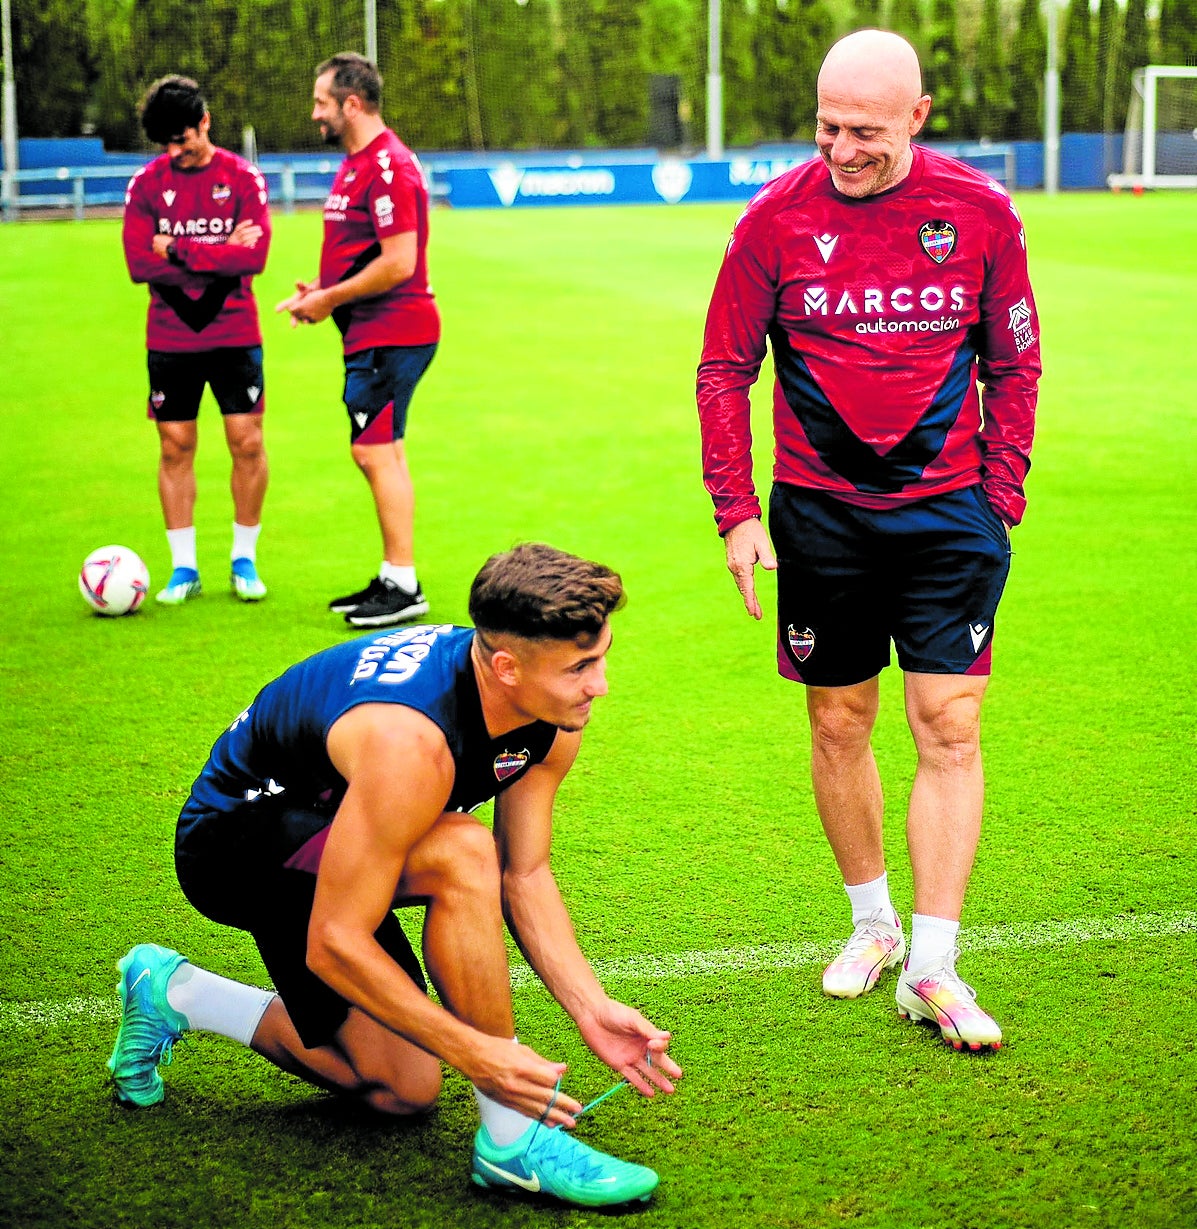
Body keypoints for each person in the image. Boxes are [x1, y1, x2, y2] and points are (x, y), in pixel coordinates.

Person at [106, 543, 681, 1208]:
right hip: (235, 845)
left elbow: (525, 872)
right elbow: (334, 940)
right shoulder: (410, 742)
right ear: (505, 666)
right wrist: (477, 1051)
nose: (600, 683)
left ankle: (176, 992)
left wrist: (591, 1006)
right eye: (580, 666)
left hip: (348, 834)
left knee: (403, 1088)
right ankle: (513, 1140)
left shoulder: (550, 715)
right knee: (463, 851)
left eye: (601, 655)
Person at [696, 29, 1040, 1052]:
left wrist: (1001, 495)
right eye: (829, 128)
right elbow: (725, 367)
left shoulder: (979, 213)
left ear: (919, 118)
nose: (844, 151)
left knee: (951, 725)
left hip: (948, 519)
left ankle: (932, 962)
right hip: (820, 515)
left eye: (868, 133)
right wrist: (738, 512)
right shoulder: (773, 221)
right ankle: (872, 923)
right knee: (841, 723)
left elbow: (1014, 360)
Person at [277, 53, 440, 630]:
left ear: (352, 103)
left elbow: (399, 262)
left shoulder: (388, 165)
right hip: (372, 331)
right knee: (380, 448)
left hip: (394, 330)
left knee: (374, 450)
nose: (314, 111)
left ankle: (403, 583)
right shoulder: (355, 164)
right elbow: (361, 254)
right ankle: (396, 577)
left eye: (322, 100)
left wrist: (329, 299)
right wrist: (320, 293)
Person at [123, 75, 272, 605]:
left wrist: (179, 251)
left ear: (204, 122)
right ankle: (184, 568)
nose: (174, 152)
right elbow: (138, 263)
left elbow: (253, 258)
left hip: (234, 334)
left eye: (182, 139)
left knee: (247, 442)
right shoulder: (145, 184)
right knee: (175, 446)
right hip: (169, 338)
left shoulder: (244, 179)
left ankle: (243, 557)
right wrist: (219, 251)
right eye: (165, 143)